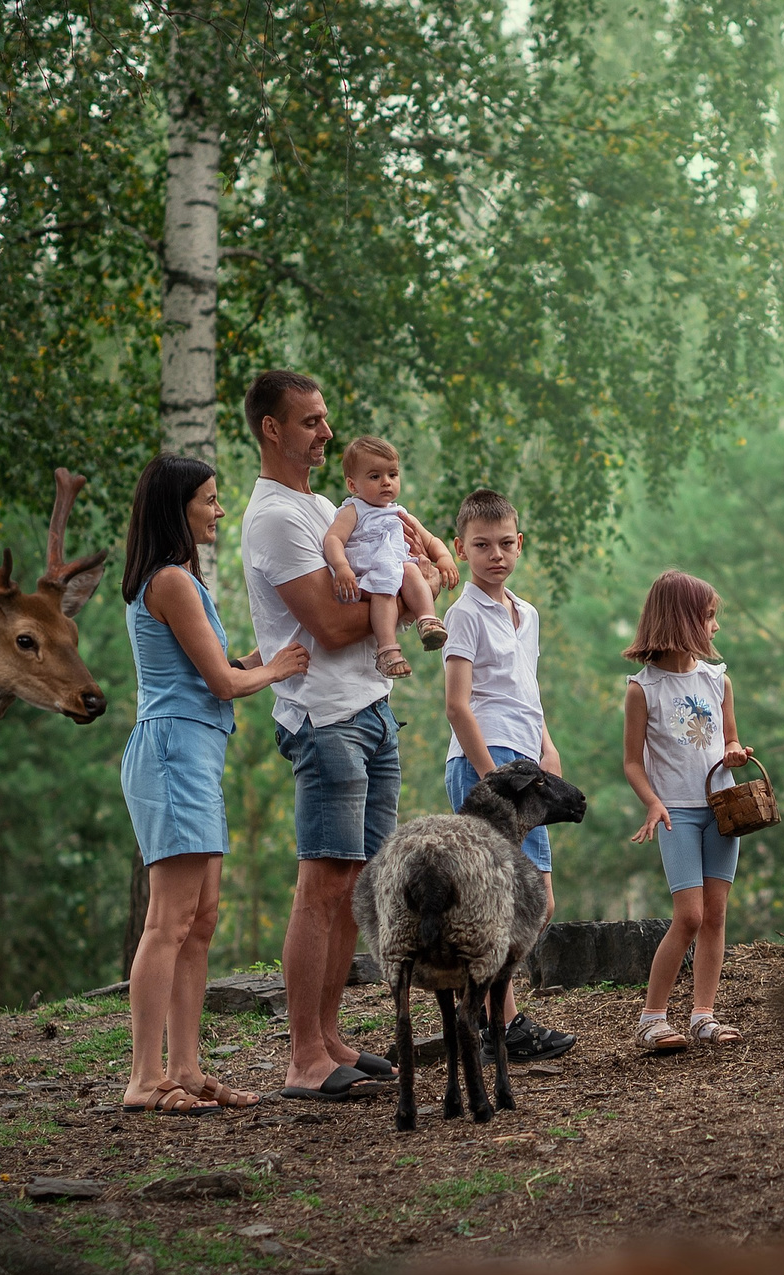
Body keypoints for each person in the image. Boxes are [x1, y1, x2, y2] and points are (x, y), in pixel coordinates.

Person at [237, 370, 452, 1100]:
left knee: (354, 879)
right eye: (311, 422)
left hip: (371, 707)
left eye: (325, 420)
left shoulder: (326, 503)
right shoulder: (276, 518)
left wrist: (411, 579)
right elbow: (329, 626)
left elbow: (373, 574)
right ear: (272, 429)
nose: (326, 432)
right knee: (322, 882)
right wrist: (406, 598)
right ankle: (302, 1059)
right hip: (324, 716)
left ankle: (329, 1038)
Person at [118, 454, 309, 1114]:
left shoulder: (183, 582)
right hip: (171, 752)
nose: (219, 509)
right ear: (178, 507)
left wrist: (278, 646)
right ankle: (145, 1078)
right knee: (167, 922)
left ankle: (187, 1068)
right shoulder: (168, 580)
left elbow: (224, 665)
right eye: (208, 498)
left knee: (199, 922)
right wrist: (280, 667)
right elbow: (224, 684)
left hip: (196, 754)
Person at [441, 487, 578, 1063]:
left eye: (504, 543)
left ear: (519, 544)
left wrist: (547, 748)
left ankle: (487, 1014)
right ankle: (501, 1023)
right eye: (481, 545)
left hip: (527, 766)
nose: (495, 554)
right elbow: (457, 704)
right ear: (460, 549)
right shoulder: (463, 613)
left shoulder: (529, 615)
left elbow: (528, 692)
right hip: (488, 763)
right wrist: (493, 779)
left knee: (537, 901)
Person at [620, 569, 753, 1051]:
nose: (715, 626)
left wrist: (735, 750)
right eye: (710, 616)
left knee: (716, 915)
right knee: (690, 916)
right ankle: (652, 1018)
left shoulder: (717, 680)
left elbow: (730, 735)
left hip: (723, 809)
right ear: (683, 619)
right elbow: (633, 763)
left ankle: (703, 1015)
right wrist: (652, 803)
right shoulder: (644, 688)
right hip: (676, 813)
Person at [321, 434, 447, 681]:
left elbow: (430, 540)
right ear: (353, 485)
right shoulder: (353, 510)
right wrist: (342, 567)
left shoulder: (400, 512)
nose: (386, 482)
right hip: (370, 574)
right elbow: (333, 539)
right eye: (375, 476)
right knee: (384, 590)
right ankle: (387, 649)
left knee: (411, 571)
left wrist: (444, 559)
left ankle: (427, 621)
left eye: (392, 474)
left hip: (397, 571)